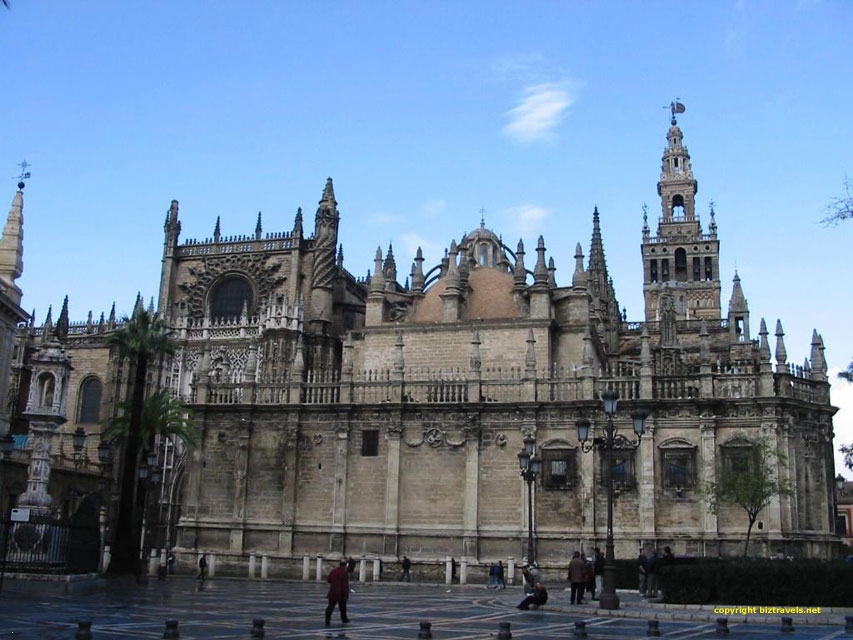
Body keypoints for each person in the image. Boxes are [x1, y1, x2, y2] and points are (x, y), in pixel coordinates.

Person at [325, 560, 350, 626]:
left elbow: (329, 580)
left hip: (332, 591)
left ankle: (327, 619)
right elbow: (345, 585)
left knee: (330, 606)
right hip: (341, 592)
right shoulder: (344, 572)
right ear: (345, 565)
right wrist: (346, 595)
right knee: (343, 607)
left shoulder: (333, 571)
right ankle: (344, 619)